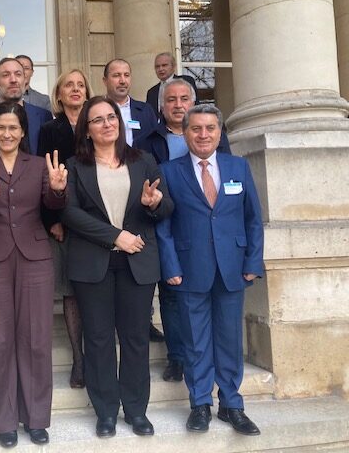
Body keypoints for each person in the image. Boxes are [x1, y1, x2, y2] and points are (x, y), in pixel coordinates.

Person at [61, 96, 173, 439]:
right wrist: (115, 237)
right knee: (97, 339)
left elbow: (165, 205)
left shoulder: (144, 160)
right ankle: (106, 411)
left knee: (136, 338)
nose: (107, 123)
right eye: (98, 120)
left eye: (111, 117)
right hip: (93, 261)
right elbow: (70, 213)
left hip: (137, 261)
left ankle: (136, 410)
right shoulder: (74, 165)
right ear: (87, 130)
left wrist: (154, 204)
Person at [156, 104, 263, 436]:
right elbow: (164, 225)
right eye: (196, 129)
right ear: (185, 133)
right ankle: (200, 403)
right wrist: (170, 266)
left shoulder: (238, 167)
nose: (203, 135)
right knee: (195, 341)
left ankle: (232, 405)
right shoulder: (169, 171)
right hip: (189, 270)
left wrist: (252, 262)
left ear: (220, 133)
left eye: (210, 129)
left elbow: (253, 220)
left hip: (233, 268)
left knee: (229, 341)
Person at [0, 102, 67, 448]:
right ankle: (5, 421)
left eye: (14, 128)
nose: (7, 134)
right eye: (1, 128)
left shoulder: (39, 165)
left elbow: (53, 208)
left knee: (36, 339)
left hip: (35, 258)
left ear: (24, 132)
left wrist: (56, 189)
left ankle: (36, 418)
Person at [136, 77, 231, 383]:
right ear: (161, 107)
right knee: (171, 296)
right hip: (165, 226)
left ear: (193, 103)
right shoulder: (148, 142)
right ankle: (177, 356)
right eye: (171, 100)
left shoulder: (214, 136)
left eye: (183, 99)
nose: (178, 105)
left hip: (208, 229)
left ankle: (208, 355)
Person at [36, 68, 92, 389]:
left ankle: (97, 356)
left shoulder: (98, 123)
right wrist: (52, 219)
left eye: (80, 84)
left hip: (96, 218)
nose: (75, 89)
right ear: (58, 95)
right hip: (63, 217)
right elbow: (44, 175)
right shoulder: (49, 129)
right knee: (70, 290)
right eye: (68, 85)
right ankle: (78, 359)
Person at [103, 58, 165, 343]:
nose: (122, 80)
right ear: (106, 81)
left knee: (141, 257)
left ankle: (145, 320)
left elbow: (154, 144)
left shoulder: (145, 110)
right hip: (107, 183)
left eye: (126, 74)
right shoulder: (99, 110)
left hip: (142, 186)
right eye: (116, 75)